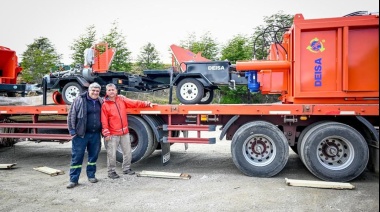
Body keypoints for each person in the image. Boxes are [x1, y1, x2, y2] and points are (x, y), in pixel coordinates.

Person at [101, 83, 153, 179]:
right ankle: (111, 172)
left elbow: (134, 103)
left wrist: (146, 103)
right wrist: (106, 133)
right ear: (106, 92)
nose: (111, 91)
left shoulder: (121, 100)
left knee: (127, 152)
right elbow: (104, 121)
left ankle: (126, 169)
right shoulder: (105, 105)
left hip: (124, 132)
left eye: (113, 90)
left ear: (116, 91)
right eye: (109, 90)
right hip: (113, 134)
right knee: (111, 154)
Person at [66, 82, 103, 189]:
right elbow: (71, 115)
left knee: (93, 156)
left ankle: (91, 176)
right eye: (93, 90)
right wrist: (72, 131)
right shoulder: (80, 100)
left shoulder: (100, 101)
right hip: (81, 134)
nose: (95, 92)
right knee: (77, 157)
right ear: (89, 90)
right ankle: (73, 179)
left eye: (97, 91)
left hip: (95, 134)